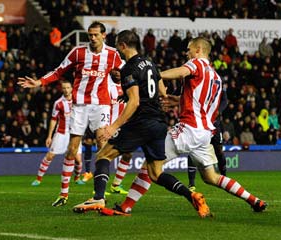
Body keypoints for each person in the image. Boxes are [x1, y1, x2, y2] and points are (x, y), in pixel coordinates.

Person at [111, 36, 267, 216]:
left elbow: (180, 72)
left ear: (199, 50)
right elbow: (203, 103)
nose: (187, 53)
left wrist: (153, 74)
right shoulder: (216, 77)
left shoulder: (197, 64)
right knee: (211, 177)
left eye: (189, 49)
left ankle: (126, 206)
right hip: (205, 133)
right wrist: (178, 101)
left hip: (188, 128)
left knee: (150, 166)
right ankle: (254, 200)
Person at [72, 29, 208, 218]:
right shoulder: (151, 63)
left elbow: (134, 101)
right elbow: (161, 91)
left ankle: (98, 197)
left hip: (141, 122)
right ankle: (192, 195)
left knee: (103, 155)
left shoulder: (128, 68)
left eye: (118, 46)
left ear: (122, 46)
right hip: (158, 124)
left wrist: (113, 126)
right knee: (156, 173)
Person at [18, 21, 123, 207]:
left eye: (96, 35)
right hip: (80, 106)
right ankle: (63, 194)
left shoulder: (113, 54)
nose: (92, 38)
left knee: (103, 146)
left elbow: (126, 71)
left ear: (104, 36)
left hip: (101, 105)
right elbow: (59, 71)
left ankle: (99, 194)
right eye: (89, 35)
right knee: (72, 150)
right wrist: (39, 82)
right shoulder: (78, 52)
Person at [31, 81, 84, 186]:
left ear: (72, 88)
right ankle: (38, 179)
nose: (66, 90)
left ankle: (77, 178)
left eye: (68, 87)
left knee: (78, 160)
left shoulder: (78, 100)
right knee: (50, 156)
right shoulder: (58, 103)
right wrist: (49, 136)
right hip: (61, 133)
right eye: (64, 88)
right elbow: (54, 119)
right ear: (62, 89)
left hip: (74, 133)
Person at [187, 91, 228, 191]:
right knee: (193, 150)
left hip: (214, 124)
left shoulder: (217, 84)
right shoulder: (198, 83)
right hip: (200, 124)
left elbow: (225, 100)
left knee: (219, 151)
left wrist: (219, 110)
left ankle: (224, 178)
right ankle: (191, 183)